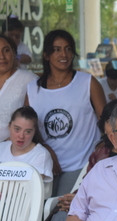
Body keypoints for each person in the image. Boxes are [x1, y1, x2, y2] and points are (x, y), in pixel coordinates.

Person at [26, 29, 106, 196]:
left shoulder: (88, 82)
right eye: (57, 49)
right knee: (42, 213)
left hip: (81, 163)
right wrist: (46, 148)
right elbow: (27, 126)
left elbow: (106, 121)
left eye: (68, 49)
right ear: (47, 55)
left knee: (63, 210)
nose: (64, 54)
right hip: (45, 165)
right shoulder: (33, 89)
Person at [0, 106, 53, 184]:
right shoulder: (1, 148)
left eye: (27, 132)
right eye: (17, 129)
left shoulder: (41, 155)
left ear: (34, 132)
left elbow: (32, 187)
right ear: (9, 126)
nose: (21, 136)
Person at [0, 34, 37, 141]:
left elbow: (36, 121)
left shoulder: (29, 80)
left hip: (15, 150)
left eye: (6, 50)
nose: (2, 56)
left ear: (14, 53)